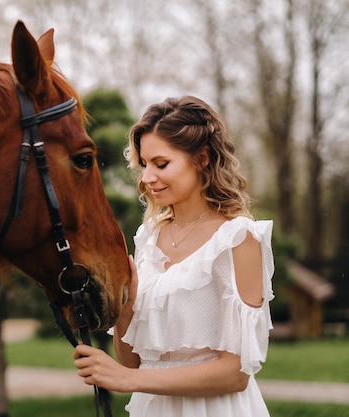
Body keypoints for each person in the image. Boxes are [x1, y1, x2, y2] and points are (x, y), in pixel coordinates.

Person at [73, 96, 274, 417]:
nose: (147, 177)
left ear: (203, 158)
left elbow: (235, 373)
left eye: (161, 163)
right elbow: (133, 360)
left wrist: (129, 378)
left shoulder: (238, 237)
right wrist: (126, 309)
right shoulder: (148, 236)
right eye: (144, 164)